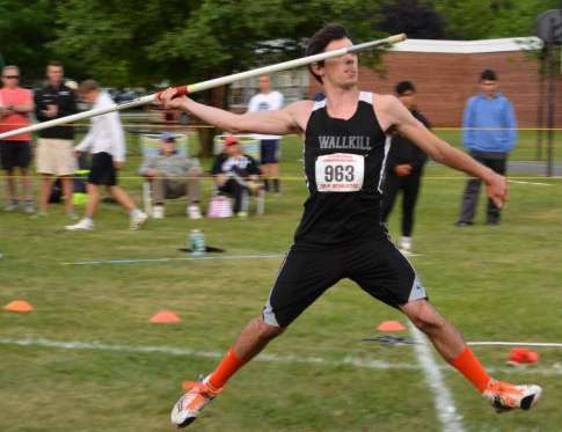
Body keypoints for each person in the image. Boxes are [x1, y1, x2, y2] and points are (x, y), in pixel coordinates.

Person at [160, 24, 541, 428]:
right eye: (342, 54)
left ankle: (492, 389)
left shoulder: (383, 108)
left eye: (354, 52)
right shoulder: (305, 114)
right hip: (316, 245)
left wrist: (488, 175)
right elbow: (235, 124)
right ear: (319, 68)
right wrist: (187, 105)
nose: (352, 59)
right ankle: (207, 388)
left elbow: (438, 149)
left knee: (426, 315)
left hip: (367, 242)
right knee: (267, 326)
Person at [65, 80, 147, 231]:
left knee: (92, 187)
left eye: (85, 96)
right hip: (103, 151)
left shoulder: (106, 105)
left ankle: (87, 221)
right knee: (111, 187)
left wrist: (119, 156)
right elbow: (94, 132)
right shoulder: (98, 105)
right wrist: (80, 148)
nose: (85, 99)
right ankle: (137, 213)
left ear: (93, 91)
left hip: (103, 152)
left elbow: (116, 130)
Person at [456, 69, 517, 227]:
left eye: (491, 84)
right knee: (472, 186)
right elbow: (467, 124)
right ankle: (465, 219)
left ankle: (493, 219)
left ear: (496, 84)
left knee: (496, 187)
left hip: (498, 152)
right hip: (477, 152)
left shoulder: (505, 103)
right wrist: (469, 144)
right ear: (480, 85)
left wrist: (507, 146)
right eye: (485, 84)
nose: (488, 87)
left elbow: (511, 126)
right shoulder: (473, 103)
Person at [381, 81, 430, 254]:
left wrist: (412, 166)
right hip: (393, 173)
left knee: (408, 207)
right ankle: (379, 242)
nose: (406, 99)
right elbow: (382, 147)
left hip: (413, 174)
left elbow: (426, 149)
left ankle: (406, 244)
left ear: (414, 96)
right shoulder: (389, 121)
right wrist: (394, 166)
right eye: (402, 95)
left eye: (409, 95)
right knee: (385, 206)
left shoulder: (422, 121)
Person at [34, 61, 78, 218]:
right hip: (46, 138)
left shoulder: (69, 92)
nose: (56, 74)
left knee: (66, 176)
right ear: (48, 73)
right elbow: (38, 115)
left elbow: (75, 114)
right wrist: (46, 114)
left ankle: (70, 210)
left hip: (64, 139)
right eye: (53, 72)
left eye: (58, 71)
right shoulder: (40, 92)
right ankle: (42, 210)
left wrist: (58, 112)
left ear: (62, 73)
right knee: (46, 175)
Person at [139, 132, 203, 219]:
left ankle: (193, 208)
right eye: (166, 142)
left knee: (192, 173)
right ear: (160, 144)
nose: (170, 144)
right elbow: (141, 170)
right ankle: (158, 208)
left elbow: (194, 166)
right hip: (163, 187)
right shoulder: (152, 157)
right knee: (159, 174)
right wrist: (149, 171)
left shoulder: (182, 157)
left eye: (171, 142)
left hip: (180, 185)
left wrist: (196, 169)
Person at [0, 65, 34, 213]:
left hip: (23, 136)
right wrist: (8, 111)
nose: (12, 80)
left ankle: (28, 201)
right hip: (5, 137)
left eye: (15, 77)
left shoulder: (26, 92)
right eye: (9, 77)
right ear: (3, 79)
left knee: (25, 170)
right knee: (9, 171)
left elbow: (29, 107)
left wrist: (11, 108)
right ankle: (12, 200)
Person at [247, 74, 284, 194]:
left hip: (272, 135)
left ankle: (276, 187)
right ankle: (266, 186)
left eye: (265, 81)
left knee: (272, 162)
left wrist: (260, 118)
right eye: (261, 81)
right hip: (257, 136)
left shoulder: (276, 96)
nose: (263, 83)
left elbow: (274, 112)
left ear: (270, 82)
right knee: (261, 162)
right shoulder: (255, 99)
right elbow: (250, 115)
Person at [211, 135, 261, 218]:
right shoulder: (221, 159)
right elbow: (217, 176)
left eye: (235, 144)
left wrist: (254, 177)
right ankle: (249, 188)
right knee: (234, 170)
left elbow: (256, 174)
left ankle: (239, 209)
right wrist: (222, 177)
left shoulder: (248, 158)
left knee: (238, 179)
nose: (233, 147)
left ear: (239, 146)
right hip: (228, 185)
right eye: (230, 145)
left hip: (244, 185)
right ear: (225, 148)